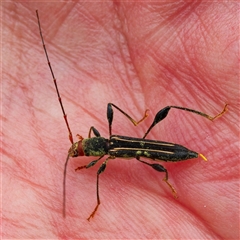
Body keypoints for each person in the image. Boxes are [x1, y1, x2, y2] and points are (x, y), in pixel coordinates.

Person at [2, 2, 238, 239]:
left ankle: (203, 121)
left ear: (91, 147)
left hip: (167, 152)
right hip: (156, 152)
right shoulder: (107, 143)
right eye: (80, 149)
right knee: (153, 119)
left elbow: (95, 162)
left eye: (80, 147)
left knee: (161, 116)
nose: (80, 147)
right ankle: (165, 143)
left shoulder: (106, 156)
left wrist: (86, 162)